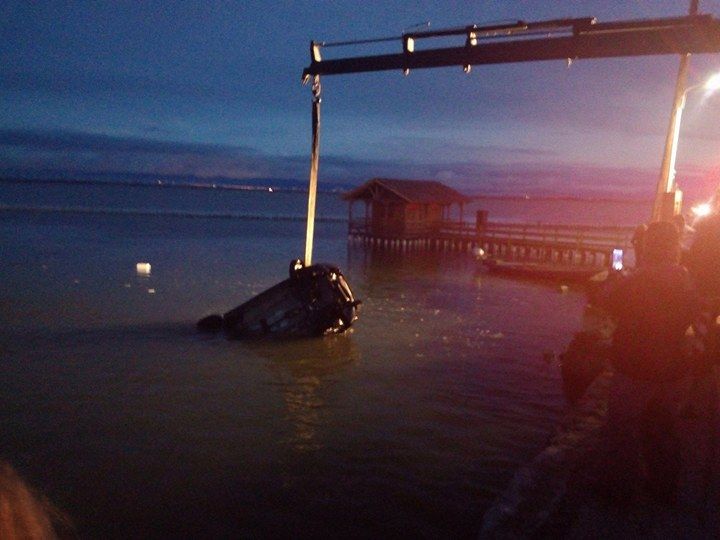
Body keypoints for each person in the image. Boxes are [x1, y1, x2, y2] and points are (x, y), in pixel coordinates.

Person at [601, 221, 701, 502]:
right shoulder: (685, 278)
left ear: (647, 247)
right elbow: (691, 313)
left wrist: (615, 277)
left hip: (637, 367)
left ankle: (618, 491)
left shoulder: (639, 280)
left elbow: (607, 301)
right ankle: (664, 487)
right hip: (675, 368)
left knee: (621, 430)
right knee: (662, 428)